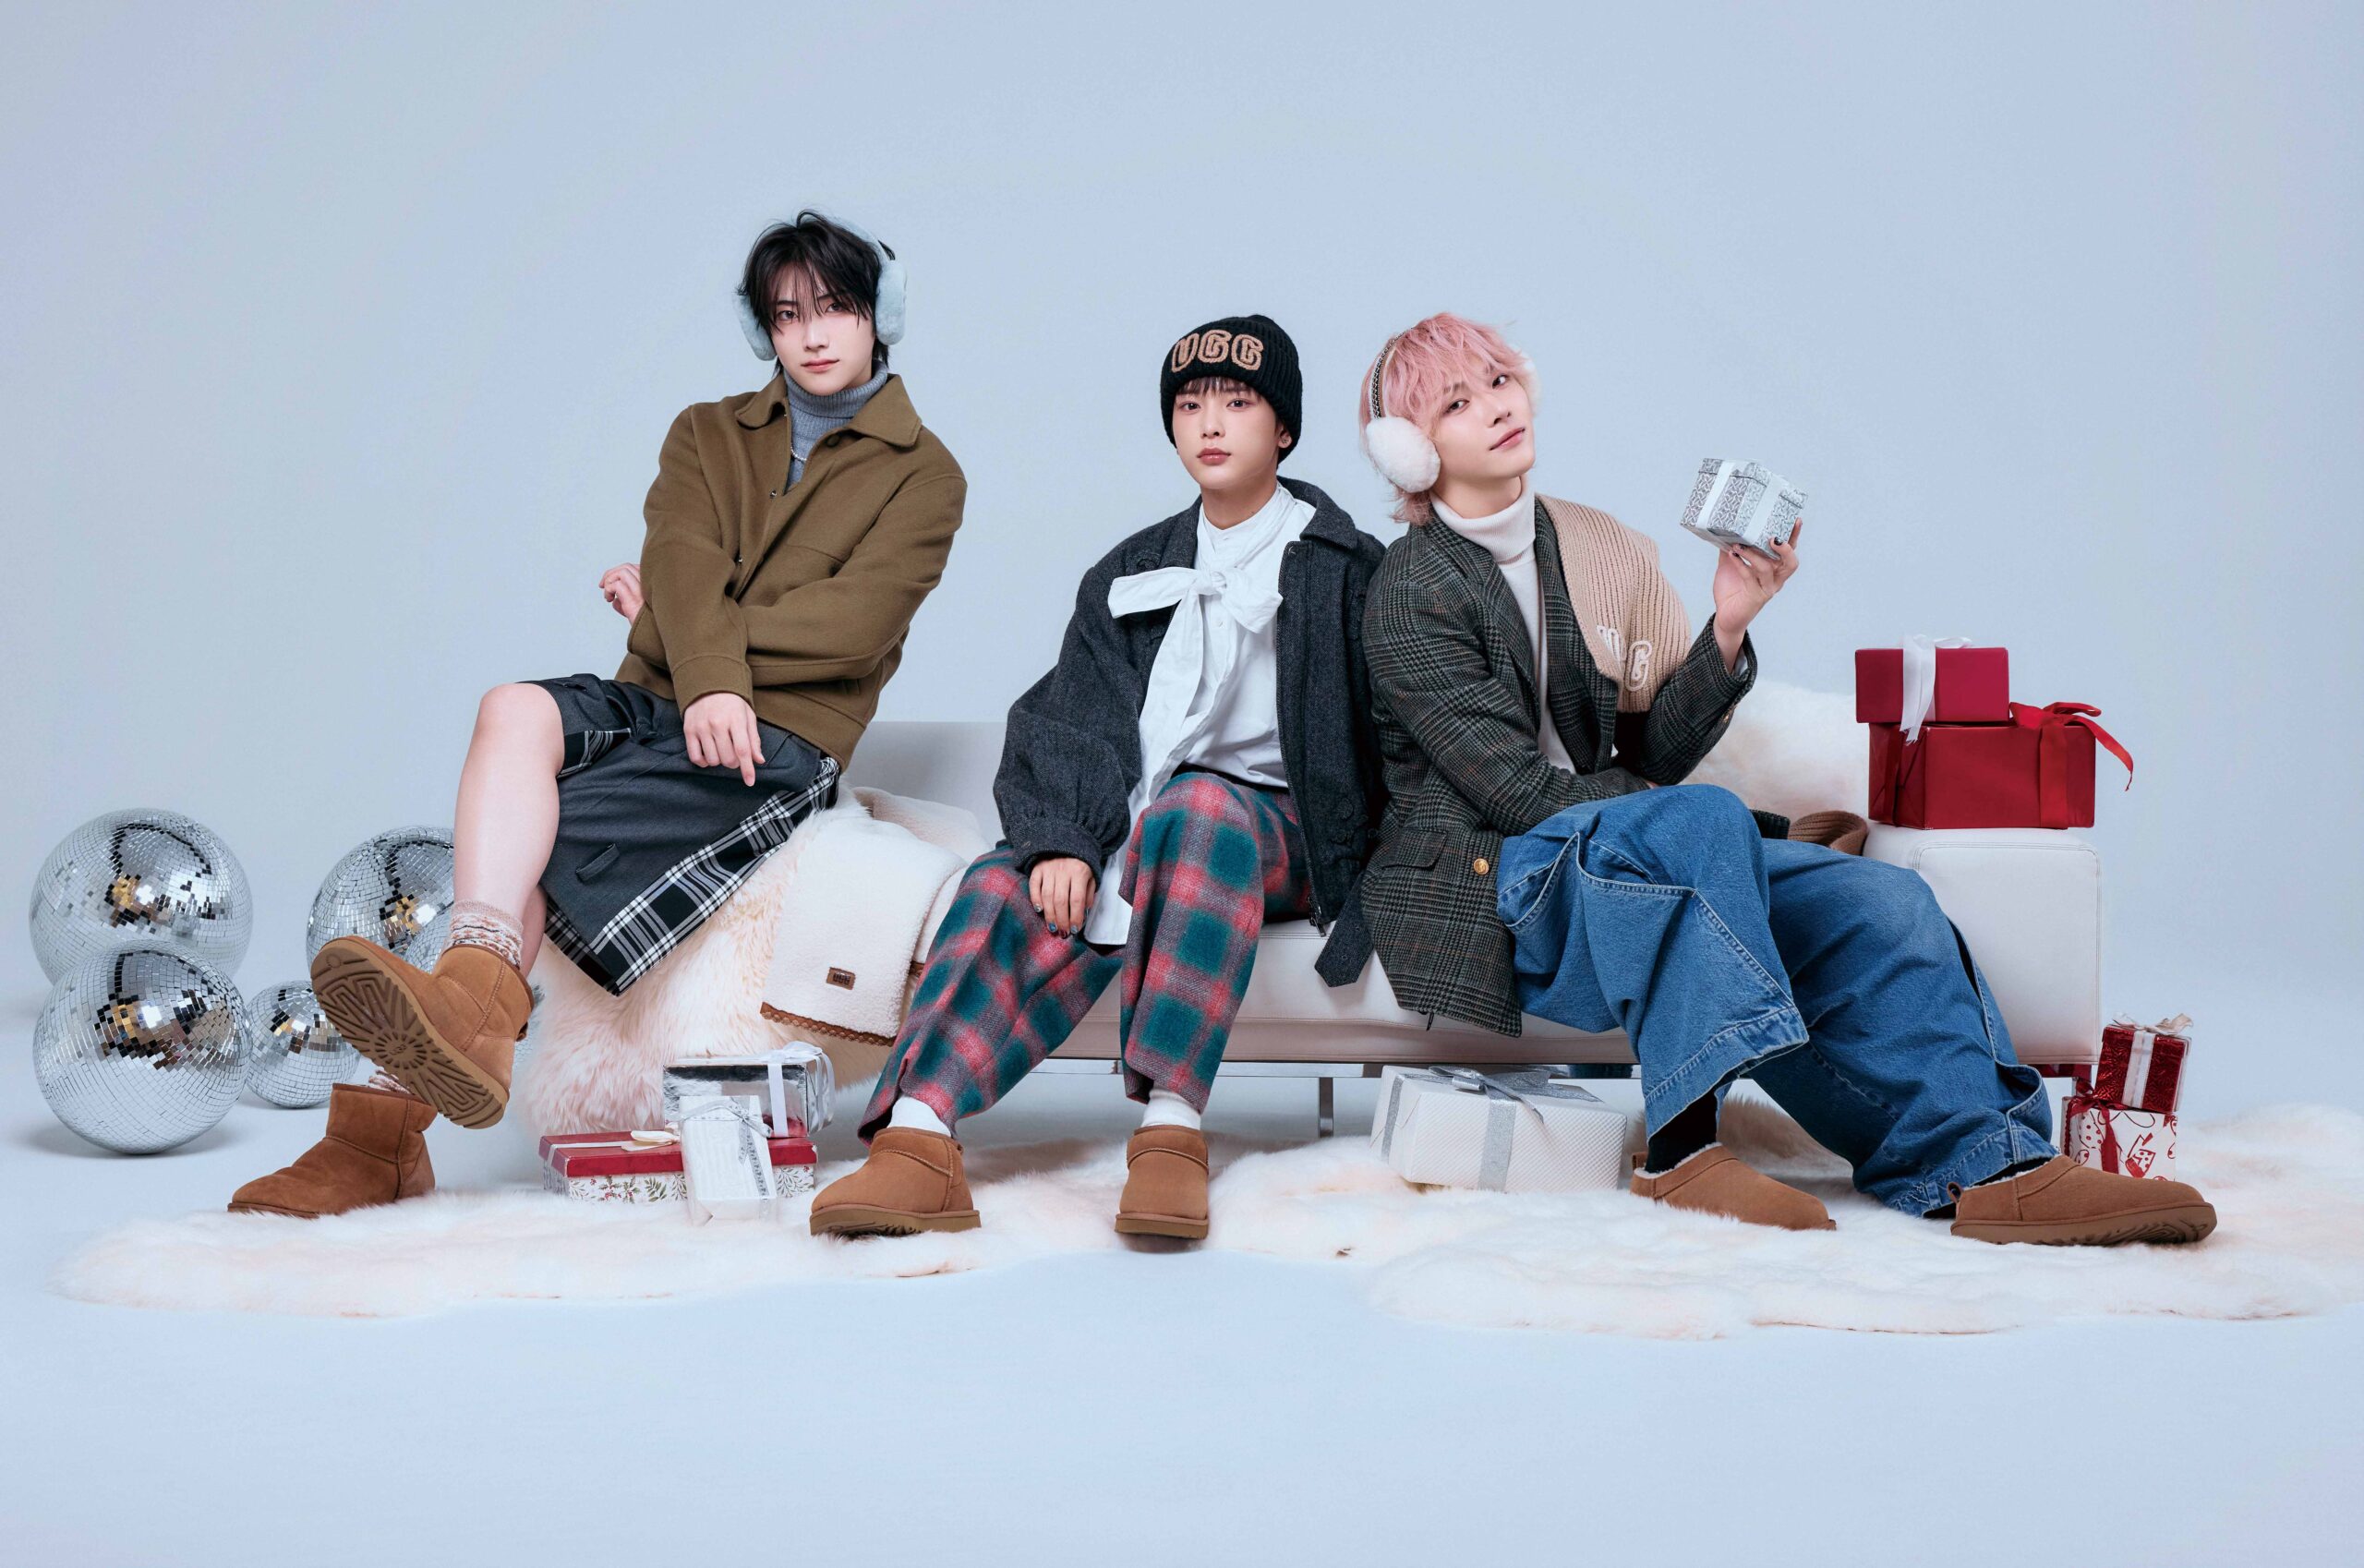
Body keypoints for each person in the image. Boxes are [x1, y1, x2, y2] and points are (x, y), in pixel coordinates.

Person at [1351, 312, 2214, 1245]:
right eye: (1455, 403)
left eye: (1497, 380)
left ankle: (1989, 1166)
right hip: (1495, 878)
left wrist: (1727, 625)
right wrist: (1731, 826)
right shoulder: (1412, 587)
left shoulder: (1575, 547)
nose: (1494, 407)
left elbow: (1652, 760)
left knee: (1875, 900)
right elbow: (1519, 797)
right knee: (1702, 825)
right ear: (1410, 453)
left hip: (1616, 861)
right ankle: (1682, 1152)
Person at [230, 211, 966, 1217]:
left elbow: (850, 628)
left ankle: (376, 1136)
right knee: (511, 709)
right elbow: (682, 557)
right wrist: (694, 659)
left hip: (781, 740)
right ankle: (476, 995)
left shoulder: (925, 473)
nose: (812, 334)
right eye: (787, 315)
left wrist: (683, 636)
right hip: (660, 697)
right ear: (762, 329)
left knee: (527, 841)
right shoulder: (706, 432)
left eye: (835, 307)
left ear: (881, 314)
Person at [809, 315, 1387, 1242]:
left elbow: (1391, 736)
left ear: (1282, 427)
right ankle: (917, 1138)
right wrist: (1064, 840)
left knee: (1197, 810)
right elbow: (1068, 711)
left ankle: (1169, 1132)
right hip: (1146, 823)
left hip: (1291, 836)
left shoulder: (1345, 567)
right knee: (1002, 881)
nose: (1210, 423)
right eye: (1189, 406)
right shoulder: (1132, 569)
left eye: (1238, 403)